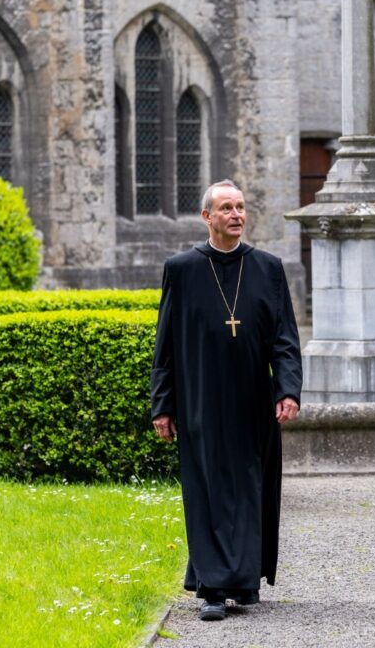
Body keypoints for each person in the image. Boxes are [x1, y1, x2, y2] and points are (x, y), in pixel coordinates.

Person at [151, 179, 303, 622]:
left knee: (250, 487)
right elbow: (165, 345)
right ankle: (214, 587)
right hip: (200, 398)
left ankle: (243, 578)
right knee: (209, 488)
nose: (236, 215)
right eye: (226, 208)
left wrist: (288, 389)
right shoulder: (181, 269)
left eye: (240, 207)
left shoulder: (268, 268)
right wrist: (163, 404)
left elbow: (285, 339)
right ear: (207, 217)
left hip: (253, 399)